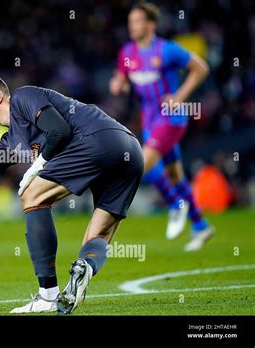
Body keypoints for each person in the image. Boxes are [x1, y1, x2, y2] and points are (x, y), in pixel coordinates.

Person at [0, 74, 143, 314]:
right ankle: (85, 266)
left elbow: (59, 131)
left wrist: (38, 165)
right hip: (130, 152)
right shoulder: (11, 142)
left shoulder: (24, 97)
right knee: (100, 235)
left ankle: (48, 295)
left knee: (32, 195)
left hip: (97, 138)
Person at [109, 2, 214, 251]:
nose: (132, 26)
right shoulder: (127, 52)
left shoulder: (167, 50)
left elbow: (200, 68)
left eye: (137, 21)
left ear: (151, 24)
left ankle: (176, 205)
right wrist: (117, 85)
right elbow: (121, 79)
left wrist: (179, 96)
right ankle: (201, 226)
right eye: (130, 21)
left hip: (171, 116)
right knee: (175, 173)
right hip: (149, 120)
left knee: (142, 164)